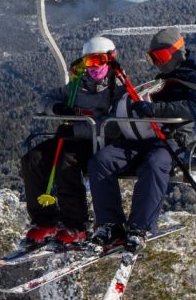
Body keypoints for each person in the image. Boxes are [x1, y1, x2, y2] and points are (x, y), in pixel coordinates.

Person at [87, 27, 196, 253]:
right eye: (153, 58)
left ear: (177, 52)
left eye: (162, 57)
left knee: (155, 164)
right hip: (146, 135)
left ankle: (140, 228)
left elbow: (194, 108)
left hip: (171, 140)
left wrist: (155, 109)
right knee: (102, 160)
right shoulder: (166, 78)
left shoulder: (195, 77)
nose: (158, 63)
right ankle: (110, 224)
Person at [20, 36, 122, 246]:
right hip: (69, 138)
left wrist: (76, 128)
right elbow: (43, 100)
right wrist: (56, 108)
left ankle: (75, 225)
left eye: (99, 61)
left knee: (66, 163)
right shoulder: (77, 85)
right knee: (32, 159)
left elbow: (113, 125)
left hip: (98, 143)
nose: (93, 67)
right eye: (88, 62)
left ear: (111, 59)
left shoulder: (118, 89)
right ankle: (46, 221)